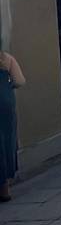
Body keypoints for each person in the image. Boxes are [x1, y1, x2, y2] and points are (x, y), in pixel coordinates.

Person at [0, 50, 25, 202]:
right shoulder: (6, 58)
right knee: (6, 140)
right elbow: (20, 81)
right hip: (5, 102)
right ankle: (5, 189)